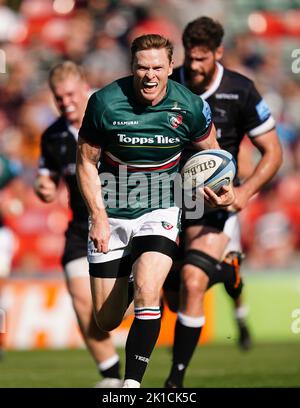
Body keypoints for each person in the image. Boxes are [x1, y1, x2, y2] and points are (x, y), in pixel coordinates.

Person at [76, 33, 235, 388]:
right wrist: (99, 217)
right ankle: (135, 273)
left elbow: (214, 155)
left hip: (160, 205)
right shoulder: (103, 103)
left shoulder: (190, 105)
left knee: (150, 290)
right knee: (106, 320)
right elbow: (85, 163)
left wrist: (225, 189)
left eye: (157, 68)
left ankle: (131, 386)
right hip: (112, 207)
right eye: (142, 68)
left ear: (170, 67)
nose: (150, 75)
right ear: (132, 67)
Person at [163, 16, 283, 388]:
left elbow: (273, 152)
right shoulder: (167, 85)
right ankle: (228, 273)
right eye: (190, 58)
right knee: (171, 297)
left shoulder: (240, 90)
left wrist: (245, 193)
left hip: (218, 200)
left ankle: (174, 382)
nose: (194, 66)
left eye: (202, 58)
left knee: (193, 282)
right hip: (172, 202)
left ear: (218, 53)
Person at [34, 61, 123, 388]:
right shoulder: (53, 135)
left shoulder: (111, 116)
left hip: (123, 220)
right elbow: (47, 179)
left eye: (71, 94)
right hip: (80, 228)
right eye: (59, 97)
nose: (66, 102)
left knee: (122, 302)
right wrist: (43, 189)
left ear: (85, 86)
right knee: (83, 303)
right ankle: (112, 377)